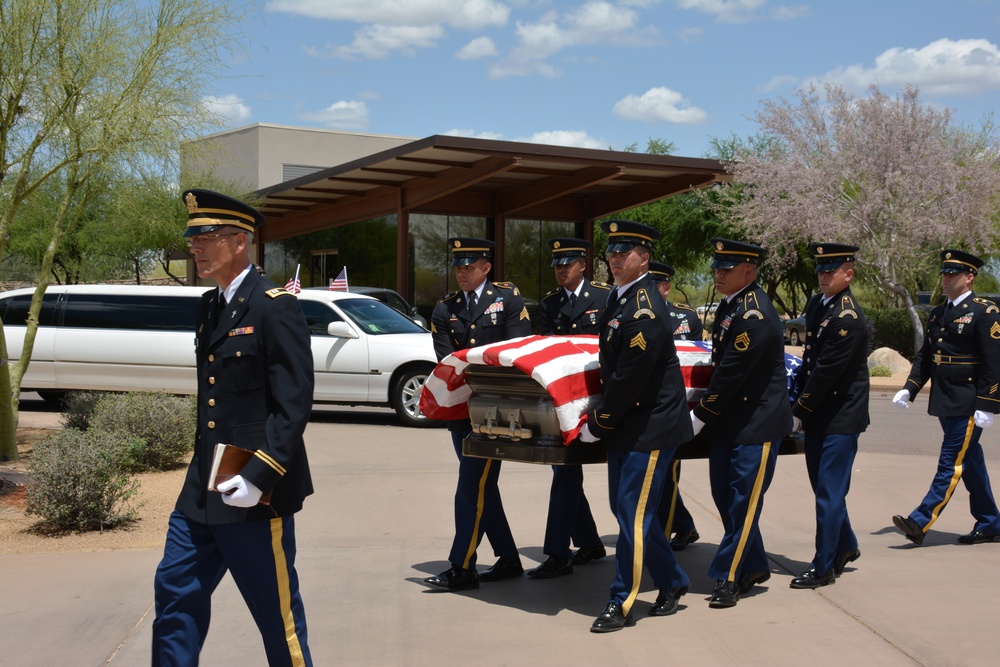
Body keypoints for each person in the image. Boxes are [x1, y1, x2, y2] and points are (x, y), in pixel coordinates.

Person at [152, 189, 315, 667]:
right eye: (193, 238)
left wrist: (261, 475)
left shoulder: (274, 306)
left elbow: (293, 404)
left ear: (240, 241)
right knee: (174, 594)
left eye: (206, 237)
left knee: (276, 618)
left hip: (253, 494)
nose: (195, 247)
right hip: (202, 490)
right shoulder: (208, 305)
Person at [582, 220, 693, 633]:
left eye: (623, 252)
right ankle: (673, 580)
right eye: (611, 251)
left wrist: (600, 420)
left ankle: (622, 601)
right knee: (629, 511)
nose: (614, 258)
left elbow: (630, 376)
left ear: (644, 259)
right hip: (628, 424)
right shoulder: (619, 298)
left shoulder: (644, 307)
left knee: (632, 514)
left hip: (650, 425)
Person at [423, 237, 533, 591]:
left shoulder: (508, 301)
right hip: (461, 411)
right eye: (458, 267)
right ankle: (508, 557)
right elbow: (449, 364)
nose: (462, 273)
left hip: (496, 410)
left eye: (469, 267)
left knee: (472, 484)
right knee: (483, 484)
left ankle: (462, 566)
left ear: (486, 267)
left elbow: (515, 355)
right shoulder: (444, 309)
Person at [690, 238, 792, 609]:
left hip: (756, 425)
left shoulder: (755, 313)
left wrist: (700, 414)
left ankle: (728, 576)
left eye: (726, 268)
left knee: (743, 503)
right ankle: (753, 565)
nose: (718, 273)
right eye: (717, 266)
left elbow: (731, 372)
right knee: (727, 500)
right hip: (729, 423)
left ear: (749, 271)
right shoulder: (730, 305)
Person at [891, 249, 1000, 546]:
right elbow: (927, 355)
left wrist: (988, 404)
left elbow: (994, 362)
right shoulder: (939, 311)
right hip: (944, 398)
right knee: (970, 463)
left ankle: (921, 520)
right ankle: (991, 522)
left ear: (969, 277)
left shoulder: (984, 311)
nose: (947, 278)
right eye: (945, 273)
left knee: (949, 462)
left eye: (953, 274)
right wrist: (910, 387)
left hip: (968, 400)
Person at [529, 237, 610, 579]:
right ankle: (583, 545)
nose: (561, 270)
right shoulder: (549, 305)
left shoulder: (605, 298)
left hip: (601, 399)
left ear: (583, 266)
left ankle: (562, 551)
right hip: (564, 401)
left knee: (566, 473)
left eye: (567, 264)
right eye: (557, 265)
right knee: (564, 471)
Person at [789, 243, 869, 589]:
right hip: (820, 414)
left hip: (839, 415)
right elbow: (810, 361)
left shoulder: (847, 317)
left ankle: (823, 566)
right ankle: (846, 545)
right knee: (824, 488)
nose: (823, 275)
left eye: (830, 270)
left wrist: (797, 411)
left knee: (828, 493)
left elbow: (826, 372)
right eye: (820, 270)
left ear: (848, 274)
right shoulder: (819, 303)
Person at [648, 261, 704, 553]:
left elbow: (698, 362)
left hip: (677, 407)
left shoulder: (686, 317)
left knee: (668, 474)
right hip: (650, 406)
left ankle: (669, 529)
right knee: (662, 475)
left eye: (655, 284)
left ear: (666, 287)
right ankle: (682, 525)